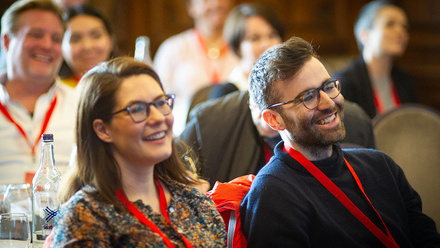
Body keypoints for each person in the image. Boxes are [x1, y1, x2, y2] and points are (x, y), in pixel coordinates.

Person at [240, 36, 440, 247]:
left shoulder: (382, 166)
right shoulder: (273, 195)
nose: (328, 103)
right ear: (274, 119)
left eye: (328, 87)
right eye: (308, 97)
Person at [181, 3, 374, 187]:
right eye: (254, 38)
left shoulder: (354, 120)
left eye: (272, 35)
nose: (266, 44)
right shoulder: (215, 111)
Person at [50, 56, 226, 247]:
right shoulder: (85, 215)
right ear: (102, 129)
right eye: (138, 109)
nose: (158, 118)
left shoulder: (195, 203)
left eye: (161, 103)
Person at [0, 0, 76, 184]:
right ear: (7, 41)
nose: (47, 45)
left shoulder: (82, 103)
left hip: (65, 211)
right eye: (36, 35)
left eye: (56, 39)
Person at [154, 0, 239, 135]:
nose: (216, 4)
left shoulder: (244, 45)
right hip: (184, 136)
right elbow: (158, 101)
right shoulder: (172, 48)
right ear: (190, 7)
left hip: (236, 134)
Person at [332, 0, 416, 119]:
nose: (400, 31)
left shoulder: (405, 80)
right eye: (390, 24)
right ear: (364, 35)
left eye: (404, 26)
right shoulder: (344, 82)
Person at [59, 4, 114, 87]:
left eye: (96, 36)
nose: (87, 46)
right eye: (76, 39)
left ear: (111, 40)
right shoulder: (54, 93)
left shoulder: (127, 85)